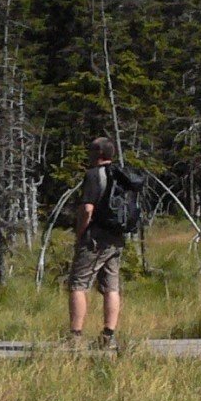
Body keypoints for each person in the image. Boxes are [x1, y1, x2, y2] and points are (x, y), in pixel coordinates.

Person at [68, 136, 124, 350]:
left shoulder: (93, 175)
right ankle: (108, 335)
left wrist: (80, 234)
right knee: (111, 286)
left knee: (78, 284)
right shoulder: (121, 175)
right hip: (116, 238)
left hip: (95, 238)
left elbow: (87, 209)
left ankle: (75, 336)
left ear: (98, 154)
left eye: (91, 151)